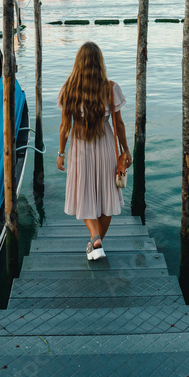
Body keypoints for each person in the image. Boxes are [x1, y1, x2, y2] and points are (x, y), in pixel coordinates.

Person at [56, 42, 131, 260]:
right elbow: (120, 123)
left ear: (78, 63)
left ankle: (95, 239)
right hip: (106, 146)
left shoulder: (68, 89)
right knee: (108, 196)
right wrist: (126, 150)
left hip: (80, 147)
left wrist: (61, 153)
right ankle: (96, 242)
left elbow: (64, 126)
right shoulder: (111, 88)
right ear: (100, 63)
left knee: (84, 194)